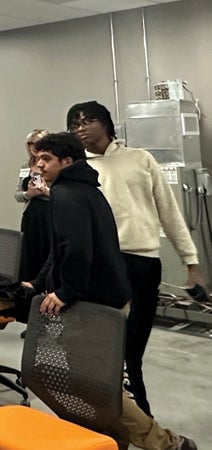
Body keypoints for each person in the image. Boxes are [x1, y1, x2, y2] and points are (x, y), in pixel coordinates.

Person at [28, 132, 196, 450]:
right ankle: (111, 442)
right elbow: (61, 250)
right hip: (107, 301)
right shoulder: (86, 189)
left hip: (92, 305)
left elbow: (76, 250)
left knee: (96, 389)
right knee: (95, 386)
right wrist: (39, 283)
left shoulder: (66, 194)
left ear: (67, 162)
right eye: (38, 159)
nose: (39, 165)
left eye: (46, 159)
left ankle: (169, 444)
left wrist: (65, 292)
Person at [67, 101, 204, 416]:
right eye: (74, 124)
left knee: (132, 348)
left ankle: (136, 416)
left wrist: (191, 262)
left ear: (106, 124)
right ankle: (129, 416)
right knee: (104, 349)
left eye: (87, 121)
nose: (80, 128)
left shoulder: (140, 159)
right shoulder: (77, 170)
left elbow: (169, 212)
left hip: (141, 263)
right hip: (100, 265)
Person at [16, 129, 52, 281]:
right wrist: (28, 194)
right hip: (31, 215)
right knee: (29, 254)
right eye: (30, 144)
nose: (33, 147)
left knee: (48, 253)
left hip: (50, 214)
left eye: (37, 143)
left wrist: (44, 191)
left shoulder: (53, 165)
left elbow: (63, 194)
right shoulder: (26, 166)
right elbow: (17, 194)